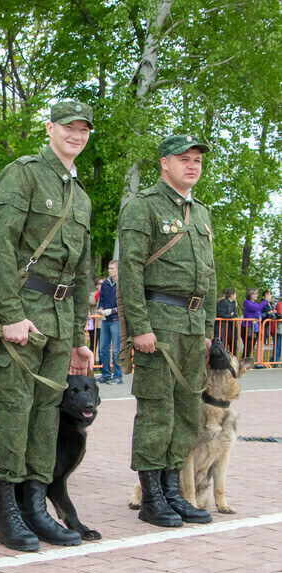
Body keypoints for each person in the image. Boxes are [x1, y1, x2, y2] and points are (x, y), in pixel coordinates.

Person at [0, 101, 94, 552]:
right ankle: (9, 515)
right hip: (23, 312)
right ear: (50, 129)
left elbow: (82, 272)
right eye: (68, 127)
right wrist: (9, 313)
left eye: (83, 129)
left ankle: (36, 508)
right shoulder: (23, 173)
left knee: (46, 417)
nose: (76, 135)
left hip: (60, 321)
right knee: (13, 412)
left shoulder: (80, 196)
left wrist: (80, 337)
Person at [118, 133, 215, 528]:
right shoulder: (143, 206)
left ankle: (174, 490)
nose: (192, 165)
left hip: (192, 325)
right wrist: (139, 327)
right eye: (184, 159)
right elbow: (130, 270)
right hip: (159, 322)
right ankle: (152, 496)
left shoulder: (203, 213)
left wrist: (207, 327)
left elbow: (207, 274)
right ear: (164, 163)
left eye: (197, 160)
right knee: (157, 410)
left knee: (187, 412)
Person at [97, 260, 121, 384]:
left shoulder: (121, 283)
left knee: (116, 349)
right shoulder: (105, 283)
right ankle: (105, 373)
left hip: (116, 319)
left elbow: (124, 303)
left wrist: (112, 310)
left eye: (112, 268)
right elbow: (101, 299)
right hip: (105, 320)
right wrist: (100, 308)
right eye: (109, 268)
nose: (110, 270)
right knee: (103, 349)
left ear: (117, 269)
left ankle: (118, 374)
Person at [241, 288, 265, 358]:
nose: (256, 296)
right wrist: (265, 301)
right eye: (254, 294)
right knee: (248, 345)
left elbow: (259, 312)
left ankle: (246, 361)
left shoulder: (256, 304)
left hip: (254, 327)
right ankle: (243, 360)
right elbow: (256, 308)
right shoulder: (247, 302)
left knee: (251, 346)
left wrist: (259, 317)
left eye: (256, 294)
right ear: (250, 295)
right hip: (247, 326)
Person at [214, 287, 238, 354]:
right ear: (232, 295)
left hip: (230, 324)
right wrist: (230, 315)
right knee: (223, 341)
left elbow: (235, 313)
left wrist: (231, 315)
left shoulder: (233, 302)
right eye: (235, 295)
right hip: (222, 325)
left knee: (232, 342)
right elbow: (221, 313)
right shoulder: (223, 302)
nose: (236, 296)